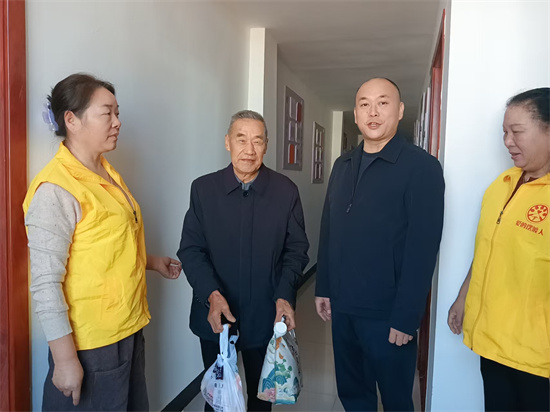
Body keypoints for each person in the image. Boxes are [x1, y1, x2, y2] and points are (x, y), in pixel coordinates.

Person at [23, 73, 181, 411]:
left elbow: (108, 246)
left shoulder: (106, 172)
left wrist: (152, 261)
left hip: (127, 328)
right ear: (71, 120)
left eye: (117, 113)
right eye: (107, 113)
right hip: (90, 345)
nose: (117, 122)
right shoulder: (55, 189)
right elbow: (46, 283)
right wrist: (65, 360)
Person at [315, 77, 445, 411]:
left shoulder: (421, 168)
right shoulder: (342, 165)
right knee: (353, 394)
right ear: (356, 113)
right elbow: (329, 229)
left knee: (396, 399)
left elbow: (423, 250)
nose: (373, 112)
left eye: (383, 103)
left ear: (399, 110)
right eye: (365, 104)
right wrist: (324, 287)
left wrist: (407, 316)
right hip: (344, 306)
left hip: (388, 314)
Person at [178, 110, 309, 411]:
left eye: (257, 141)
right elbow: (191, 249)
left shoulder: (285, 191)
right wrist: (211, 294)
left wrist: (285, 295)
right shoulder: (204, 189)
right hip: (216, 315)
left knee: (261, 400)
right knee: (219, 399)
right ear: (227, 142)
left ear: (266, 146)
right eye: (241, 139)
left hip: (266, 314)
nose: (249, 149)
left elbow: (296, 249)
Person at [448, 87, 550, 411]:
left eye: (516, 131)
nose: (507, 141)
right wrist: (463, 296)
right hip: (491, 343)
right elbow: (487, 247)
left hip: (537, 359)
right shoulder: (502, 184)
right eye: (504, 132)